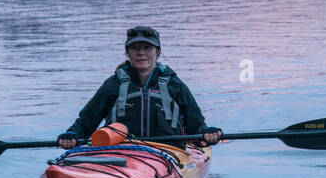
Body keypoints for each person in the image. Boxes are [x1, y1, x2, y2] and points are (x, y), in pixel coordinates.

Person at [57, 26, 222, 149]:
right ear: (127, 53)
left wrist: (207, 133)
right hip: (120, 152)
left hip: (167, 153)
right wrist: (72, 135)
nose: (140, 53)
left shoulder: (174, 84)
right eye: (135, 48)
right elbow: (86, 122)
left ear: (157, 53)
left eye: (147, 48)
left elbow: (196, 124)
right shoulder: (114, 85)